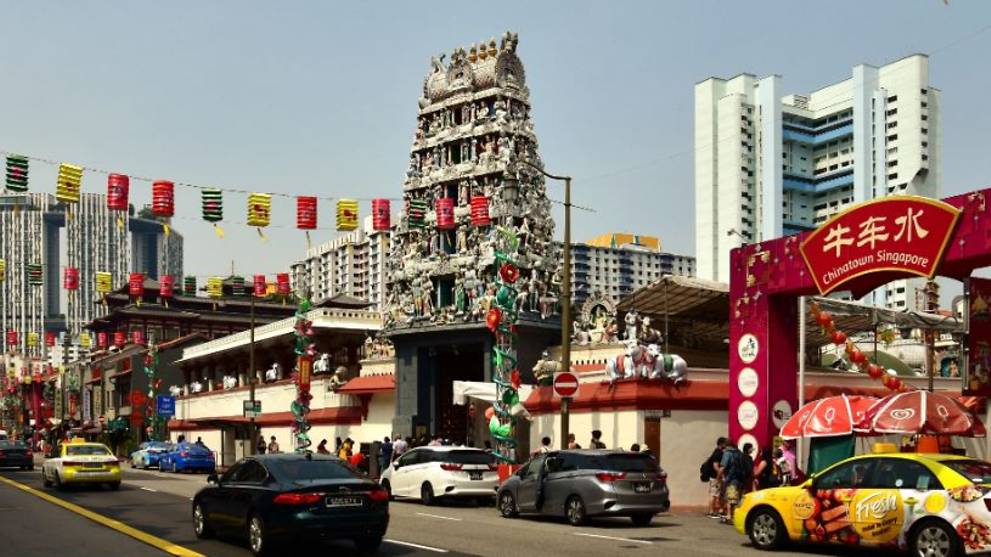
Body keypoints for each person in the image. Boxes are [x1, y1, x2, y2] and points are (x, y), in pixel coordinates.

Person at [719, 442, 746, 524]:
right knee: (737, 498)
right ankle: (735, 516)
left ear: (728, 446)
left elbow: (723, 467)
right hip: (740, 479)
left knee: (730, 499)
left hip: (731, 479)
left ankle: (730, 517)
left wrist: (718, 477)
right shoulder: (740, 454)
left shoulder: (728, 453)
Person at [703, 437, 727, 518]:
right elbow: (715, 466)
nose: (726, 445)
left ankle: (718, 511)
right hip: (715, 477)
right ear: (721, 444)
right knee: (713, 494)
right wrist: (721, 475)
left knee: (717, 494)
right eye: (725, 443)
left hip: (716, 477)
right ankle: (711, 512)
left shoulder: (718, 452)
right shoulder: (718, 453)